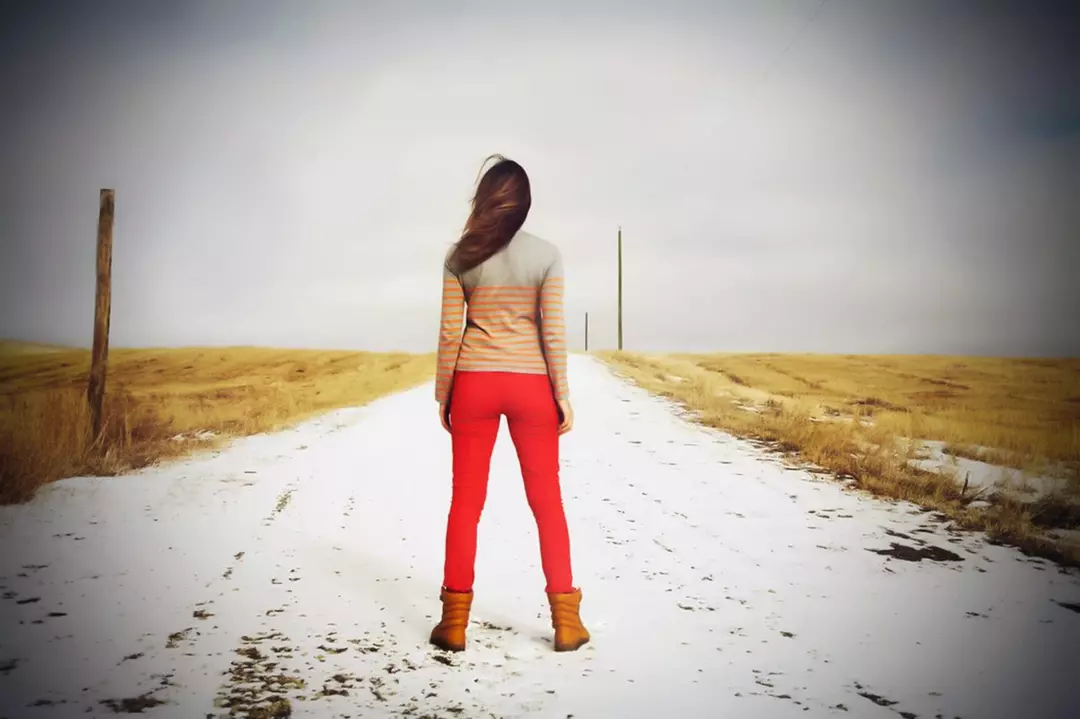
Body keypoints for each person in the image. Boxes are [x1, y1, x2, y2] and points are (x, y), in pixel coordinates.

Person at [429, 154, 590, 653]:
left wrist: (444, 393)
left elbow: (450, 333)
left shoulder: (460, 256)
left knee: (465, 503)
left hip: (474, 383)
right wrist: (561, 395)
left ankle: (453, 623)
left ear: (485, 200)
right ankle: (567, 623)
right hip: (530, 387)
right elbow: (553, 331)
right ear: (523, 204)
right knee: (547, 503)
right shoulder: (546, 255)